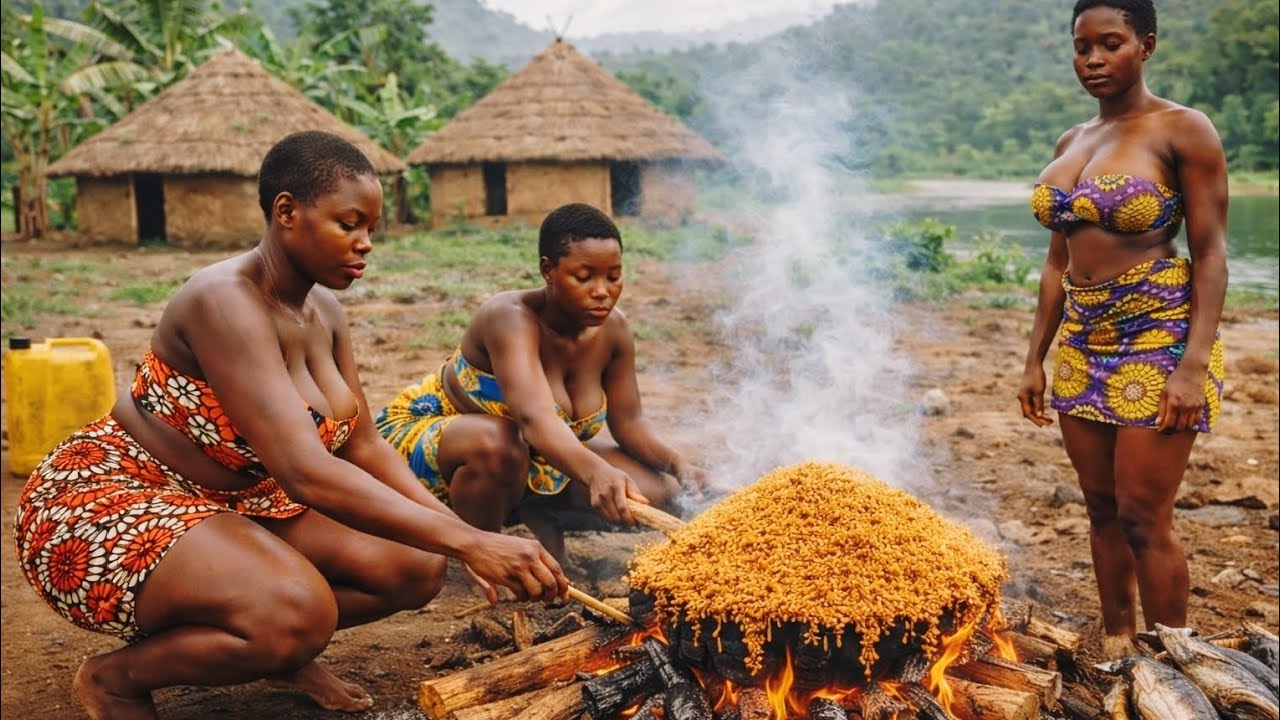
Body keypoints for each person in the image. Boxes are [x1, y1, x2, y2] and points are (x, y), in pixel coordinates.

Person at [12, 130, 567, 720]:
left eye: (371, 228)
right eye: (348, 224)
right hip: (116, 501)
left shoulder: (324, 309)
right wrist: (472, 541)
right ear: (286, 211)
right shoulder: (223, 300)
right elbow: (305, 472)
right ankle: (117, 679)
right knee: (297, 613)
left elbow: (364, 445)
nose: (365, 243)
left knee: (414, 565)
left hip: (244, 502)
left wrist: (457, 536)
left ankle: (270, 644)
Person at [1017, 0, 1228, 658]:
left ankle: (1174, 663)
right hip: (1083, 342)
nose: (1093, 59)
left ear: (1147, 45)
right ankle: (1118, 647)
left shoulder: (1183, 129)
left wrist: (1193, 365)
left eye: (1110, 44)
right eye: (1082, 47)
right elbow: (1057, 264)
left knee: (1142, 515)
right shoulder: (1070, 142)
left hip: (1157, 338)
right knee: (1102, 508)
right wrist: (1034, 359)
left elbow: (1211, 253)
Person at [377, 202, 709, 565]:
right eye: (584, 277)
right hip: (437, 447)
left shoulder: (614, 329)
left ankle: (534, 509)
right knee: (499, 443)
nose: (602, 291)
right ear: (548, 270)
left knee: (660, 494)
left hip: (531, 456)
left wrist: (679, 465)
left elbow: (629, 422)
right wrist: (596, 472)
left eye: (613, 276)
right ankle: (484, 552)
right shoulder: (508, 318)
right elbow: (534, 419)